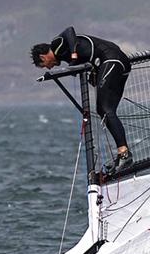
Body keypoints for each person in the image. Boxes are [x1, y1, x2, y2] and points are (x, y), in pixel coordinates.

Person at [31, 26, 133, 174]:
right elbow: (89, 61)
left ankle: (125, 155)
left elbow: (69, 31)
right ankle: (122, 154)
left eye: (44, 65)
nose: (49, 67)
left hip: (112, 58)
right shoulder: (63, 57)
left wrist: (73, 56)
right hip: (116, 62)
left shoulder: (56, 45)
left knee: (105, 108)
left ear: (43, 56)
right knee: (104, 110)